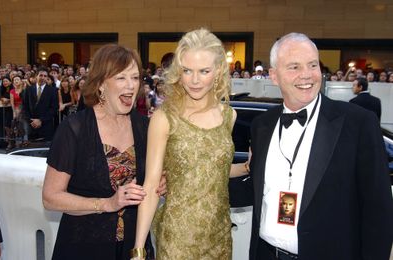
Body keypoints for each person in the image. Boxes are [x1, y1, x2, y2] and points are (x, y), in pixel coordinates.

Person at [249, 32, 393, 260]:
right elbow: (254, 190)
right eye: (294, 67)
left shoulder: (358, 123)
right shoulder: (261, 126)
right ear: (274, 76)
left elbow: (379, 212)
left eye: (312, 65)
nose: (306, 75)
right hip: (266, 254)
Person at [132, 28, 249, 260]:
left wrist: (246, 167)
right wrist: (138, 250)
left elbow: (212, 171)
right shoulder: (165, 117)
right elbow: (151, 185)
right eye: (187, 71)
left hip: (219, 236)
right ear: (178, 72)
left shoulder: (229, 116)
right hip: (177, 238)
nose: (194, 80)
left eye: (204, 71)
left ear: (218, 71)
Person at [42, 44, 166, 260]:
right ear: (100, 84)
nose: (130, 86)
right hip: (83, 247)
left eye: (135, 78)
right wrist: (107, 204)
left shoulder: (145, 127)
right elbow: (50, 198)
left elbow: (153, 179)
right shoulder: (74, 128)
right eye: (121, 78)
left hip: (135, 247)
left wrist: (162, 182)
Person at [22, 67, 58, 141]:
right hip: (32, 126)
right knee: (31, 149)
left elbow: (53, 108)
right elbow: (25, 107)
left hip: (46, 125)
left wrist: (41, 120)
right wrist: (31, 121)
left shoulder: (52, 91)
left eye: (45, 76)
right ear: (36, 76)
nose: (43, 78)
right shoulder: (28, 89)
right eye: (41, 75)